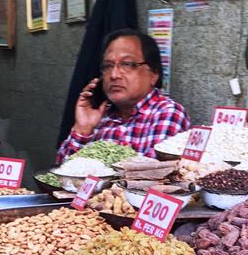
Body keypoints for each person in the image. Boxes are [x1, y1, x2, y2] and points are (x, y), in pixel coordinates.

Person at [56, 29, 190, 162]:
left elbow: (153, 175)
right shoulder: (101, 115)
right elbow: (60, 173)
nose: (114, 75)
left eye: (127, 64)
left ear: (153, 74)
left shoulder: (167, 113)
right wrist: (83, 129)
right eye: (108, 66)